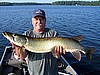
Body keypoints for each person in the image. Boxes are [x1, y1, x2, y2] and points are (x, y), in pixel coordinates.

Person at [12, 9, 66, 75]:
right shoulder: (27, 35)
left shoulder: (53, 34)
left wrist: (58, 54)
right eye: (36, 19)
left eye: (41, 19)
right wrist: (17, 47)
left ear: (45, 21)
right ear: (32, 21)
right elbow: (22, 56)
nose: (39, 21)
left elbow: (57, 56)